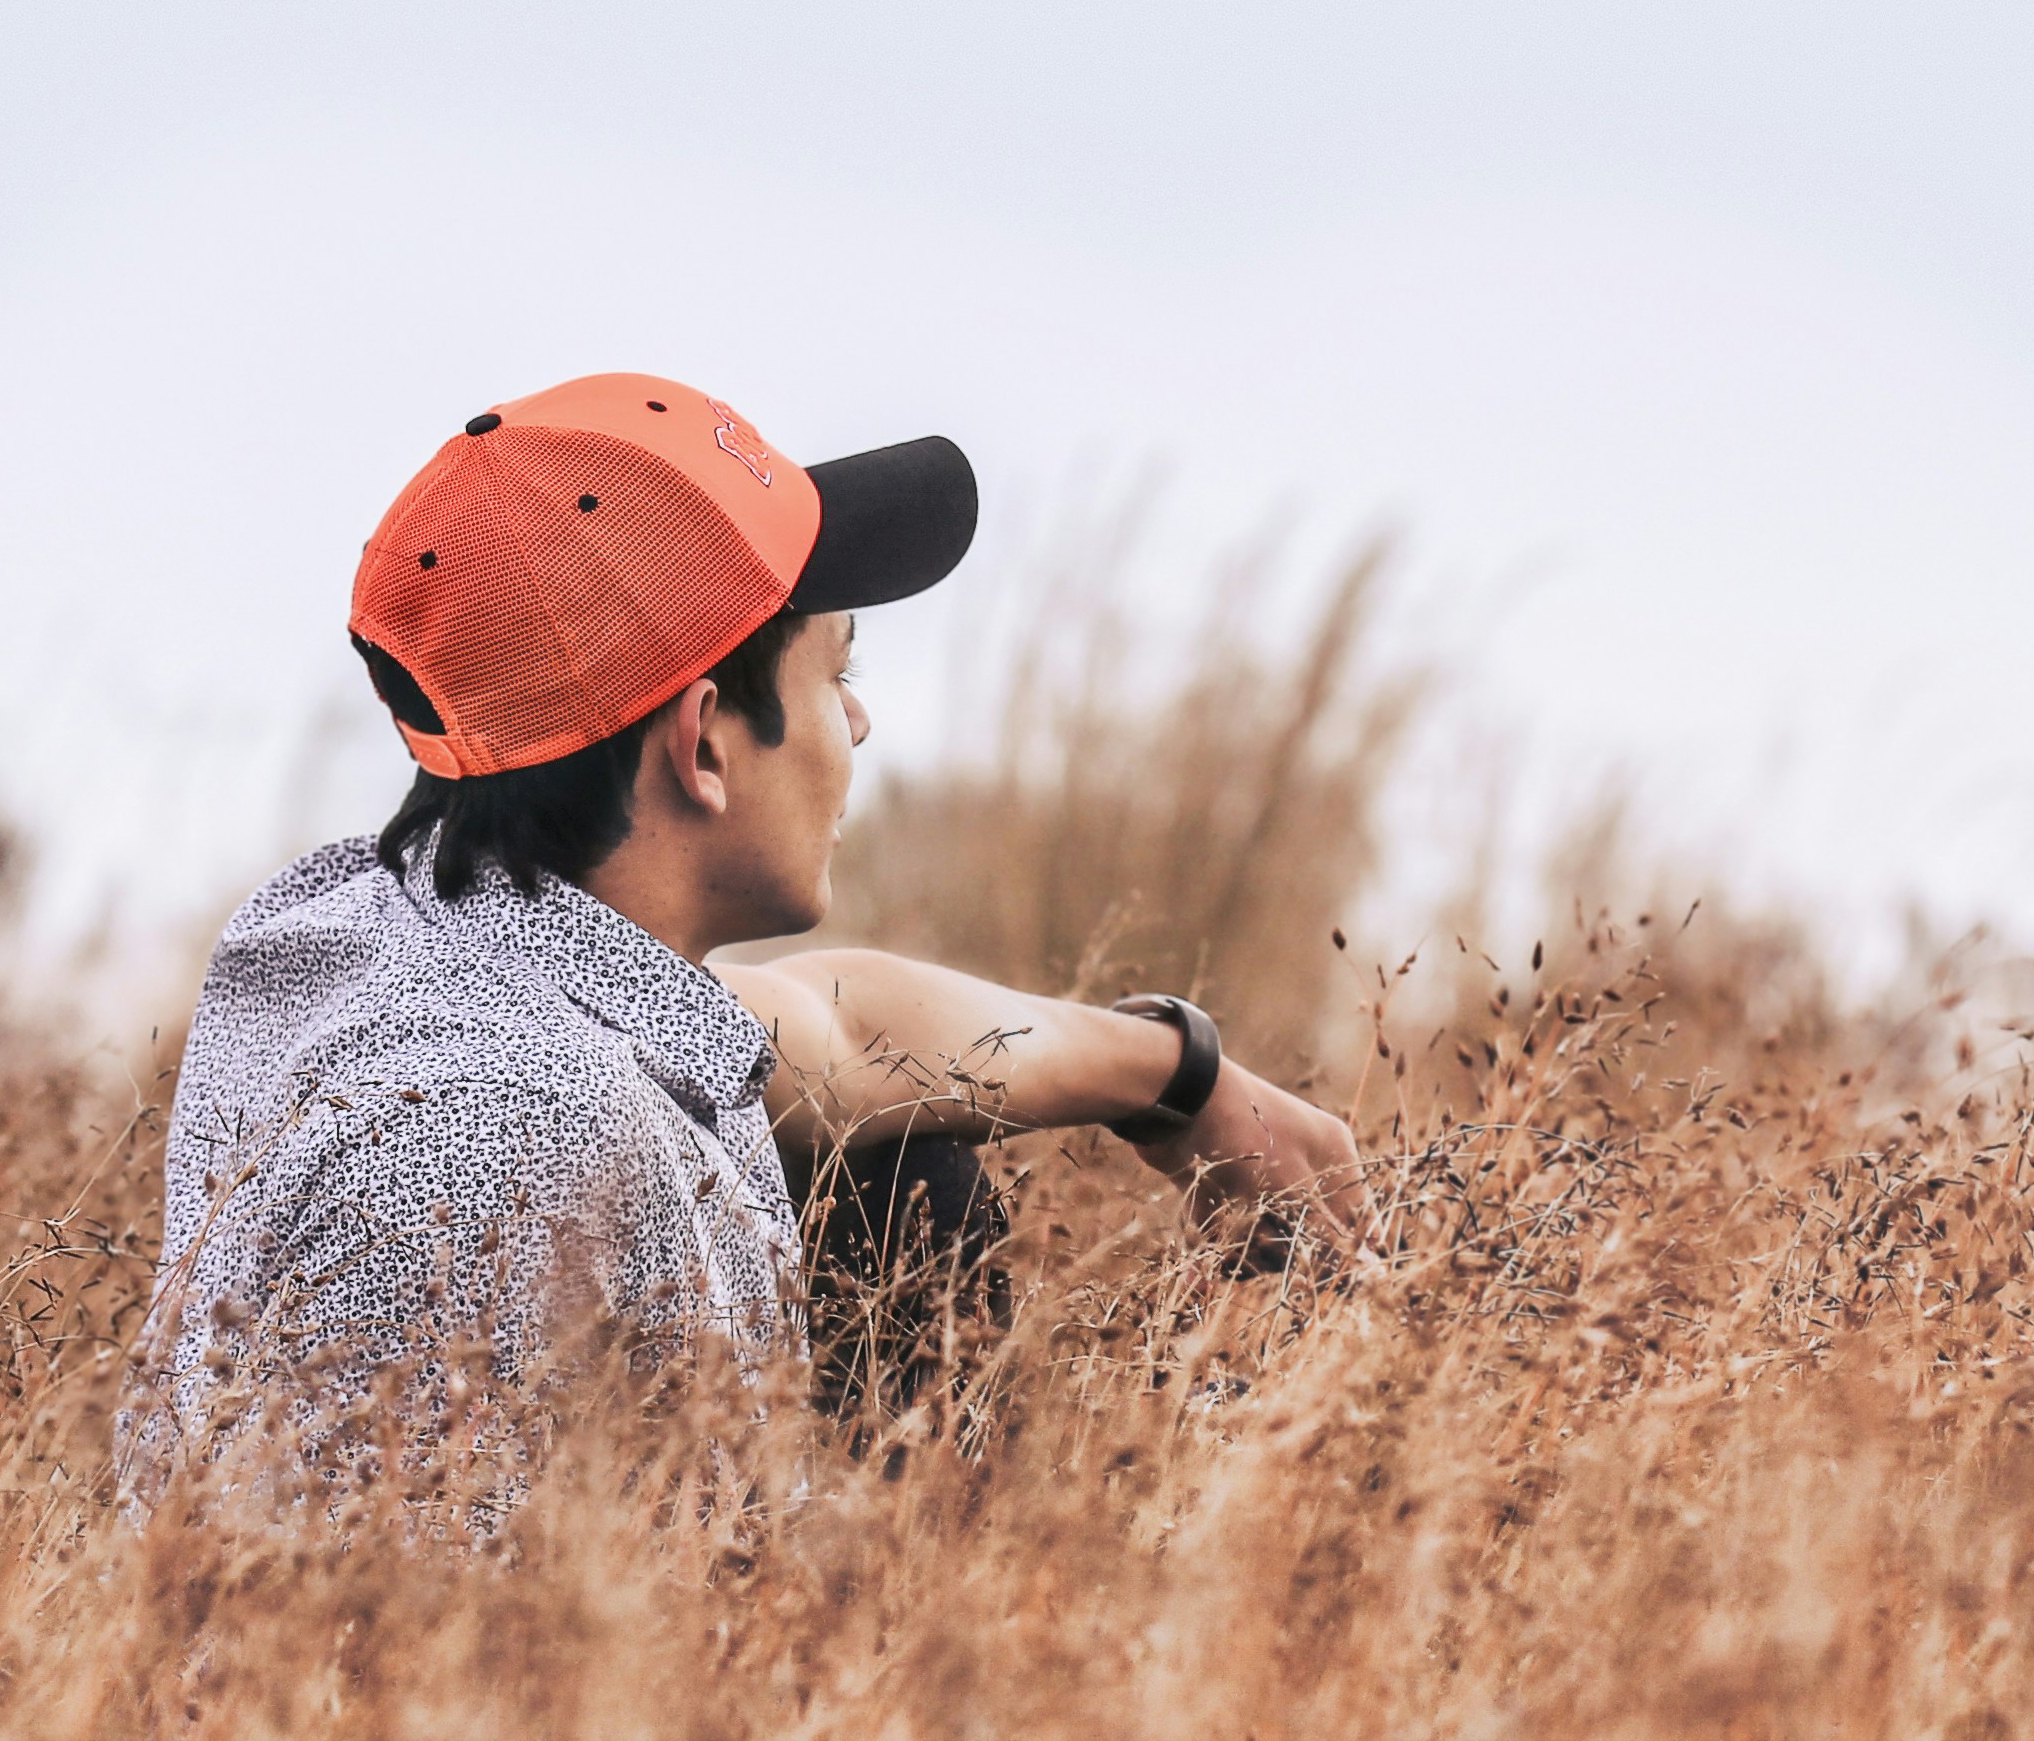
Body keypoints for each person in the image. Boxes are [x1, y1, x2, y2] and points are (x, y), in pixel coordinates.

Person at [125, 371, 1362, 1503]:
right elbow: (403, 1689)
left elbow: (838, 1032)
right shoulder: (505, 1139)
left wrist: (1176, 1077)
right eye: (837, 674)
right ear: (705, 741)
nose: (861, 726)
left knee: (894, 1182)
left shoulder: (371, 933)